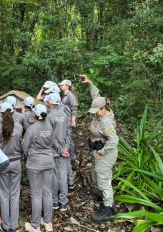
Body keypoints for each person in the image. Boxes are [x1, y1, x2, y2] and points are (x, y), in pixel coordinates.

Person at [82, 75, 119, 222]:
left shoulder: (106, 123)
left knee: (103, 179)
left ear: (104, 109)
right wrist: (90, 83)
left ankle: (109, 207)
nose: (95, 112)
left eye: (97, 110)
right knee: (96, 175)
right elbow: (96, 96)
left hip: (105, 152)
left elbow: (114, 140)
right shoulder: (104, 109)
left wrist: (102, 152)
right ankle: (103, 196)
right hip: (97, 149)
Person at [22, 104, 55, 232]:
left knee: (36, 194)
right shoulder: (50, 126)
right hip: (48, 161)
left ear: (35, 114)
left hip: (35, 163)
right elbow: (51, 143)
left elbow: (24, 148)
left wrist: (30, 153)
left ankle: (35, 226)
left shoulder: (31, 129)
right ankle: (48, 223)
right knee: (47, 191)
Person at [0, 102, 23, 232]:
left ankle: (5, 225)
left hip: (2, 163)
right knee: (14, 193)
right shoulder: (19, 127)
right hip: (16, 162)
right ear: (12, 112)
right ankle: (14, 225)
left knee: (3, 194)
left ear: (1, 114)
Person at [47, 93, 69, 212]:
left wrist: (60, 150)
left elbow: (50, 137)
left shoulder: (49, 116)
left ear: (50, 103)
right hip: (64, 150)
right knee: (63, 176)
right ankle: (64, 203)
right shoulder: (65, 115)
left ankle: (55, 202)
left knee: (54, 177)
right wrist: (65, 148)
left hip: (54, 151)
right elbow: (68, 133)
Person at [59, 79, 79, 189]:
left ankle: (72, 158)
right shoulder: (64, 96)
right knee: (67, 139)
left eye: (62, 85)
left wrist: (73, 120)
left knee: (68, 139)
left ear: (67, 85)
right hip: (63, 120)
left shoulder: (70, 95)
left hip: (68, 121)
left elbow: (74, 108)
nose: (61, 86)